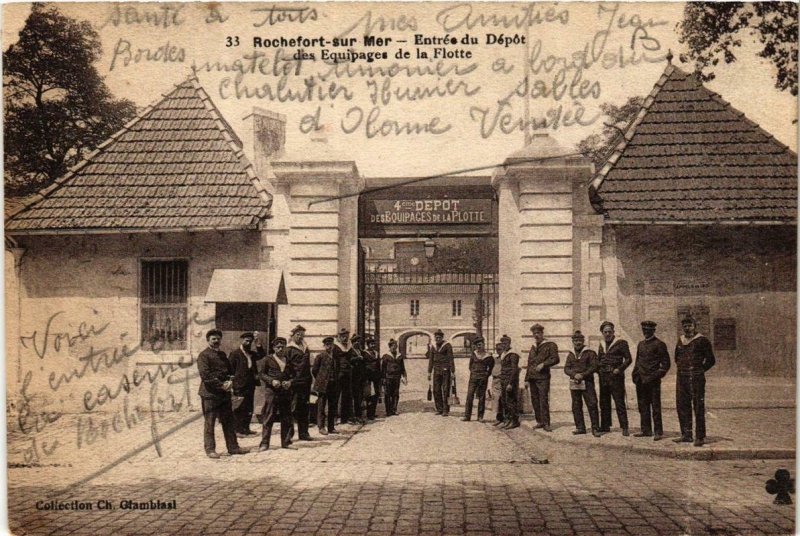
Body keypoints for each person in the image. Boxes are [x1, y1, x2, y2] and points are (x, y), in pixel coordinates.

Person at [196, 329, 246, 459]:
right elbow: (205, 375)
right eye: (214, 339)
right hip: (210, 394)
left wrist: (230, 381)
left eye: (218, 338)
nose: (217, 341)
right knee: (210, 423)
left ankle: (233, 447)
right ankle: (210, 449)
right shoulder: (203, 355)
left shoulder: (223, 355)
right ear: (208, 340)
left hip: (224, 395)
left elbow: (230, 371)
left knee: (229, 421)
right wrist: (221, 385)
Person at [674, 316, 716, 447]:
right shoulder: (680, 341)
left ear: (694, 326)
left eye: (689, 325)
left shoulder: (702, 340)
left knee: (698, 406)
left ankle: (699, 436)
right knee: (682, 405)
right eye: (685, 326)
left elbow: (711, 360)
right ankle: (686, 434)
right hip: (682, 377)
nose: (687, 328)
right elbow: (677, 358)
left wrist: (699, 370)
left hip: (696, 378)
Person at [632, 320, 671, 441]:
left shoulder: (659, 344)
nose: (646, 332)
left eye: (648, 330)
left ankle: (658, 431)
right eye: (644, 330)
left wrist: (654, 377)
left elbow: (666, 365)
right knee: (643, 406)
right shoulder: (640, 344)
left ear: (653, 331)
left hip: (653, 382)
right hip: (641, 381)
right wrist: (635, 375)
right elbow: (638, 361)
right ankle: (646, 430)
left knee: (655, 407)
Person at [258, 337, 295, 451]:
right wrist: (272, 381)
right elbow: (261, 374)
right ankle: (264, 443)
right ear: (274, 348)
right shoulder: (267, 359)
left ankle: (286, 442)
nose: (280, 349)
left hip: (285, 393)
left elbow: (294, 375)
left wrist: (289, 382)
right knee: (269, 417)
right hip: (272, 393)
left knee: (287, 418)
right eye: (278, 347)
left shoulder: (288, 360)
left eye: (282, 347)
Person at [597, 321, 632, 436]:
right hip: (604, 377)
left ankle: (625, 427)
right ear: (602, 333)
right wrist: (599, 370)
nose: (607, 334)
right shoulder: (601, 344)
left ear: (613, 332)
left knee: (619, 402)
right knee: (604, 402)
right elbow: (599, 359)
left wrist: (619, 369)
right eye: (605, 332)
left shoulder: (621, 343)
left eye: (609, 332)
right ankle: (605, 426)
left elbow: (628, 359)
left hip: (616, 376)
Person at [564, 331, 601, 437]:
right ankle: (580, 427)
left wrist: (582, 375)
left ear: (583, 341)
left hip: (587, 382)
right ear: (572, 342)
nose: (578, 343)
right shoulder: (570, 354)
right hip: (574, 383)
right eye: (575, 341)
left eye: (580, 340)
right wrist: (574, 374)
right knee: (576, 405)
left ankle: (595, 428)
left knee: (592, 404)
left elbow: (594, 366)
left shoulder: (590, 353)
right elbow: (566, 368)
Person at [229, 331, 266, 436]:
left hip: (250, 384)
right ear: (242, 340)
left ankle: (246, 428)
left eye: (250, 341)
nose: (248, 343)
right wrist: (232, 383)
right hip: (239, 385)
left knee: (248, 407)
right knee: (239, 407)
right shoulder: (235, 354)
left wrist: (258, 343)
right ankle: (237, 430)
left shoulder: (252, 353)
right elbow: (230, 369)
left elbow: (262, 355)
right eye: (246, 341)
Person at [525, 324, 560, 432]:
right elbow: (529, 363)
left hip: (543, 378)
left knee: (543, 400)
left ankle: (546, 423)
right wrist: (526, 379)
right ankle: (539, 421)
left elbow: (555, 359)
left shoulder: (550, 345)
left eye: (538, 333)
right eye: (534, 333)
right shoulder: (533, 346)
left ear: (542, 333)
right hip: (532, 378)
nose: (536, 335)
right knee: (535, 400)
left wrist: (544, 364)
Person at [286, 325, 313, 441]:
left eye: (302, 335)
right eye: (298, 334)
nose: (300, 337)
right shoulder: (289, 349)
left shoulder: (305, 347)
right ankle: (288, 435)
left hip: (305, 382)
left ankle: (304, 433)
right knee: (292, 409)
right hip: (294, 383)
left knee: (304, 408)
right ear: (293, 336)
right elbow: (286, 367)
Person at [312, 336, 339, 435]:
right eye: (327, 345)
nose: (329, 347)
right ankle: (321, 427)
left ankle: (331, 427)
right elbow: (314, 370)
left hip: (333, 384)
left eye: (331, 345)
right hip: (323, 385)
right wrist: (321, 380)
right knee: (321, 406)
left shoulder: (336, 357)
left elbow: (338, 369)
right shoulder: (320, 356)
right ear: (324, 346)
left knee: (332, 406)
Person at [462, 337, 494, 422]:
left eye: (480, 344)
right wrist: (474, 372)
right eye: (477, 345)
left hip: (483, 378)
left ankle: (480, 417)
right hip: (473, 377)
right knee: (470, 395)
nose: (479, 346)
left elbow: (491, 367)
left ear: (484, 345)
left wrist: (486, 374)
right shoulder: (474, 354)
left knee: (481, 397)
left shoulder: (489, 356)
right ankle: (467, 416)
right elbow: (470, 365)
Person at [427, 329, 455, 417]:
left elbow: (451, 359)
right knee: (436, 390)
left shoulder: (447, 345)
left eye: (439, 337)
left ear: (442, 338)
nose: (438, 339)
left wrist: (453, 371)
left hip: (446, 370)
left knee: (446, 390)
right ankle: (439, 409)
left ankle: (446, 410)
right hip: (436, 370)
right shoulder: (433, 346)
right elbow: (431, 360)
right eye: (436, 338)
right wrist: (429, 372)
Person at [333, 328, 356, 425]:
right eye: (342, 336)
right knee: (336, 396)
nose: (345, 338)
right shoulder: (335, 347)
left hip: (347, 373)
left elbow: (352, 357)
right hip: (338, 374)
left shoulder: (349, 346)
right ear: (339, 337)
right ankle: (335, 417)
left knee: (347, 395)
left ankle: (345, 417)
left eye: (346, 336)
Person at [497, 335, 520, 429]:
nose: (504, 345)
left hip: (510, 380)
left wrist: (511, 383)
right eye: (502, 343)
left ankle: (514, 421)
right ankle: (507, 419)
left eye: (506, 343)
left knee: (511, 401)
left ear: (509, 343)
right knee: (504, 401)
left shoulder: (513, 354)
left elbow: (514, 370)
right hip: (503, 379)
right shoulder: (504, 354)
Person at [381, 338, 407, 416]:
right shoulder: (386, 356)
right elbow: (383, 368)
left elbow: (402, 367)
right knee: (387, 394)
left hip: (397, 377)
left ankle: (394, 409)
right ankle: (388, 411)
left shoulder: (399, 356)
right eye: (393, 346)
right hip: (388, 377)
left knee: (395, 393)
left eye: (396, 346)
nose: (395, 347)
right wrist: (383, 378)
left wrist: (404, 376)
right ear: (390, 347)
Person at [363, 337, 382, 421]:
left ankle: (373, 413)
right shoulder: (364, 353)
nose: (373, 345)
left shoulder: (376, 353)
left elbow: (379, 366)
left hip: (376, 378)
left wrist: (380, 376)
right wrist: (365, 378)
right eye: (371, 344)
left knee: (376, 395)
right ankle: (369, 414)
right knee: (369, 395)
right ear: (368, 345)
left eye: (374, 343)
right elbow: (362, 366)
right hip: (368, 378)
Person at [350, 334, 367, 424]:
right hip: (353, 377)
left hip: (360, 378)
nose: (358, 343)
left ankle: (358, 415)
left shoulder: (360, 351)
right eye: (356, 341)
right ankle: (354, 416)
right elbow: (349, 360)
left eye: (359, 341)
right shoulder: (350, 351)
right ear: (352, 342)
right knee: (354, 397)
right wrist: (358, 358)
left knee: (359, 397)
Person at [490, 342, 505, 425]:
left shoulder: (505, 359)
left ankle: (503, 418)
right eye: (497, 349)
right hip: (495, 380)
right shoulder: (496, 359)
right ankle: (498, 418)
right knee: (496, 399)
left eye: (500, 349)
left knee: (501, 399)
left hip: (501, 380)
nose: (498, 351)